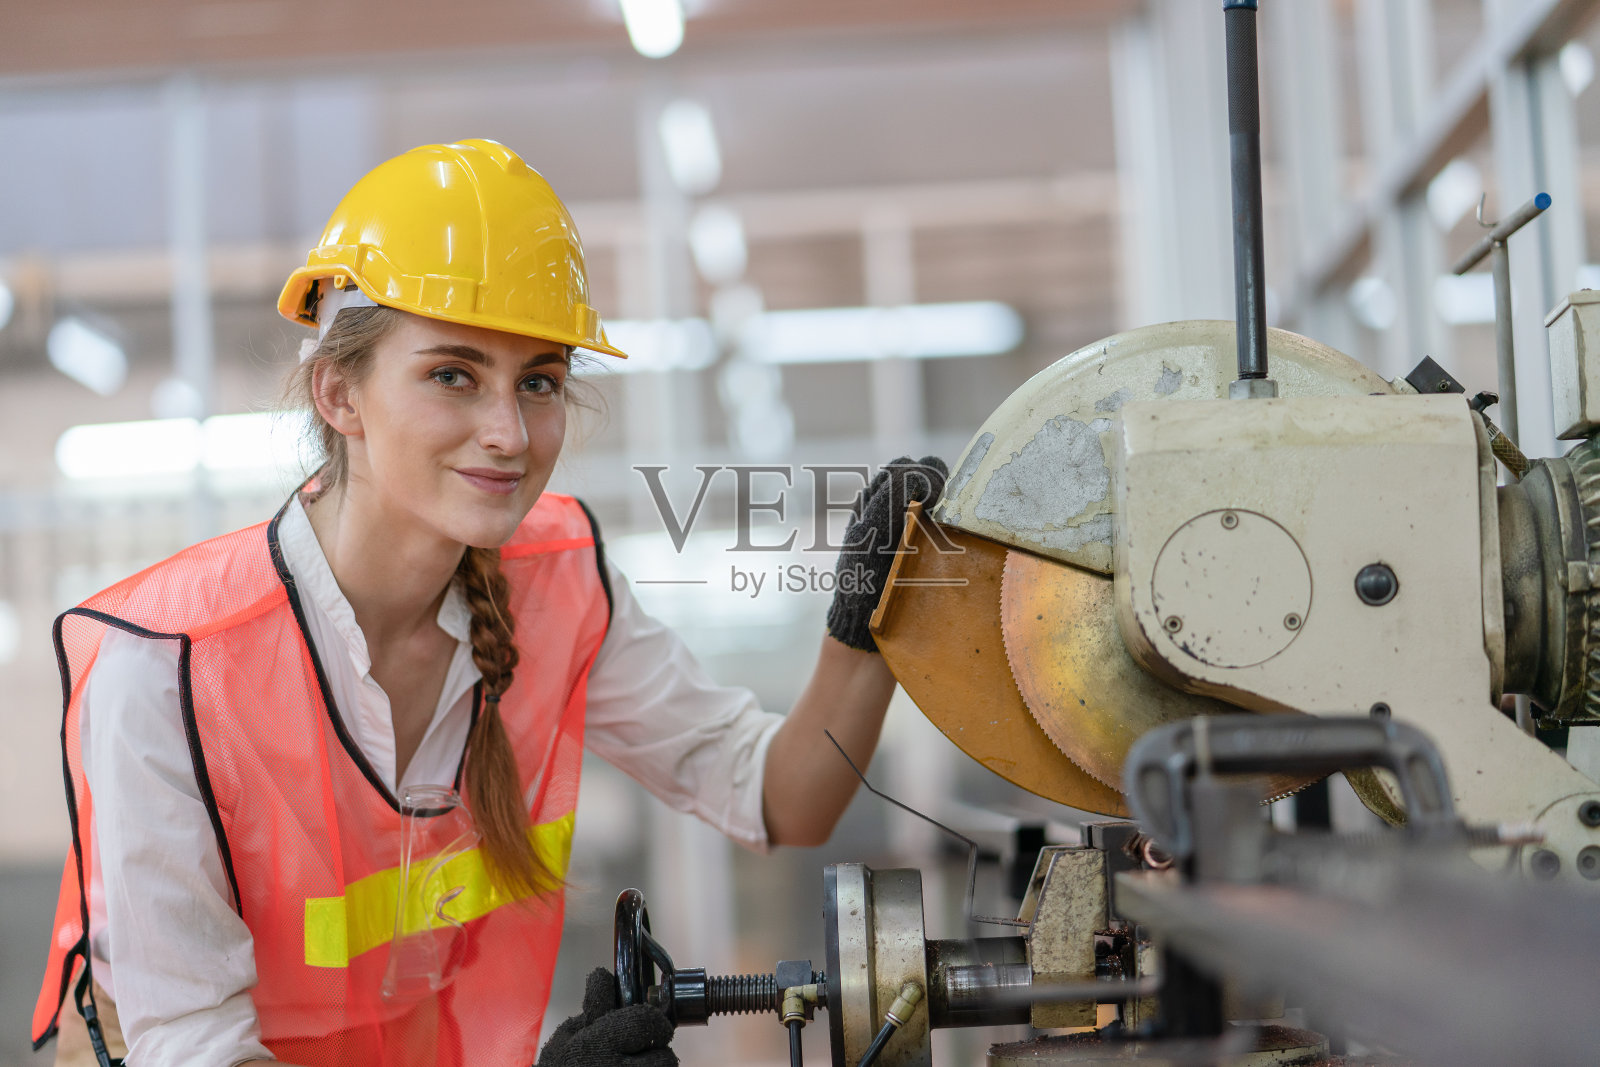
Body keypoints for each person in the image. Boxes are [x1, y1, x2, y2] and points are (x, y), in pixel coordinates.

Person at [31, 139, 947, 1067]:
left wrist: (867, 623)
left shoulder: (558, 583)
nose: (509, 433)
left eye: (539, 381)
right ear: (339, 392)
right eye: (452, 374)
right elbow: (199, 1048)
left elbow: (783, 798)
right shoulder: (170, 666)